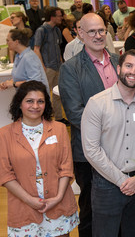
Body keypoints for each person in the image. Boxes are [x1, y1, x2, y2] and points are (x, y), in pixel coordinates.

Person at [81, 49, 135, 237]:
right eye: (129, 66)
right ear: (118, 68)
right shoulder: (97, 103)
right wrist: (121, 180)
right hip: (106, 184)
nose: (133, 72)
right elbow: (91, 150)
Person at [59, 13, 119, 237]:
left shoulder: (117, 61)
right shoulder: (71, 69)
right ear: (80, 34)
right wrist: (115, 128)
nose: (98, 35)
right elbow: (75, 114)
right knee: (92, 212)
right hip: (89, 153)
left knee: (118, 209)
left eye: (101, 30)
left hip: (120, 151)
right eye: (92, 31)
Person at [0, 81, 79, 236]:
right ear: (20, 104)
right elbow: (5, 174)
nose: (35, 106)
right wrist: (30, 200)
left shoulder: (59, 129)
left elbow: (66, 167)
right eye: (29, 101)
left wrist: (57, 198)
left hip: (59, 204)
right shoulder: (5, 134)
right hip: (24, 207)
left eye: (40, 101)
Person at [34, 6, 66, 123]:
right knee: (45, 94)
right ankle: (45, 119)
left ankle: (59, 118)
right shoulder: (41, 30)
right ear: (52, 17)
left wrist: (62, 63)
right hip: (48, 67)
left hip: (58, 66)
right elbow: (36, 49)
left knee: (58, 93)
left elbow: (58, 47)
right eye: (59, 15)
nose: (61, 17)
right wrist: (42, 66)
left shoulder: (57, 30)